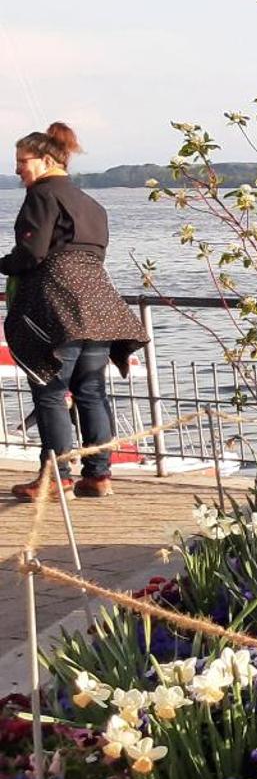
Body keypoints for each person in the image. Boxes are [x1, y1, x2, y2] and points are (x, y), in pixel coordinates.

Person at [3, 122, 147, 500]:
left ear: (46, 160)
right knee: (91, 391)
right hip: (100, 307)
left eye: (22, 162)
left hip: (58, 309)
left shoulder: (41, 195)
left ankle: (58, 477)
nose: (18, 169)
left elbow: (32, 254)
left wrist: (4, 265)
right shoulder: (92, 204)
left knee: (50, 392)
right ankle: (98, 475)